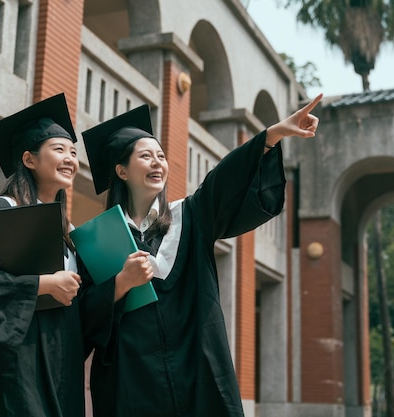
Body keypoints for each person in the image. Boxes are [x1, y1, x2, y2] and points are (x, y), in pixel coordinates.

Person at [80, 94, 322, 417]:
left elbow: (223, 180)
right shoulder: (97, 241)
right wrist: (119, 285)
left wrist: (271, 136)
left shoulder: (190, 218)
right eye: (146, 156)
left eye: (161, 156)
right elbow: (80, 321)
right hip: (131, 386)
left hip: (196, 375)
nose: (158, 162)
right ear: (121, 171)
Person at [0, 93, 112, 417]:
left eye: (73, 153)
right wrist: (42, 285)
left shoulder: (71, 235)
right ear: (29, 159)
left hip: (62, 360)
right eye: (59, 150)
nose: (70, 159)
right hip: (16, 360)